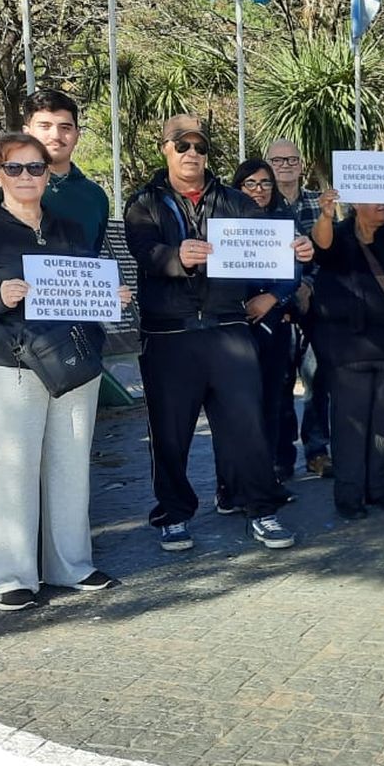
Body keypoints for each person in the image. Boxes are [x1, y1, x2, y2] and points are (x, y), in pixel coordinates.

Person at [0, 133, 132, 611]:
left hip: (71, 363)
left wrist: (110, 297)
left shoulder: (66, 228)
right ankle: (7, 574)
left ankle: (71, 564)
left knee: (69, 467)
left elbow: (84, 286)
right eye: (15, 168)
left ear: (49, 173)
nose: (26, 177)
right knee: (9, 472)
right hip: (6, 364)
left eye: (36, 168)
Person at [123, 114, 298, 552]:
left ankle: (263, 510)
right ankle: (173, 514)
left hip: (227, 329)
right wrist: (176, 257)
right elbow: (145, 253)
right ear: (165, 148)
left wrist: (296, 251)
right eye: (182, 146)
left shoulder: (234, 200)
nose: (192, 154)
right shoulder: (143, 202)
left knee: (248, 426)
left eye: (200, 147)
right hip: (168, 335)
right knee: (169, 431)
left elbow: (267, 246)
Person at [310, 189, 384, 519]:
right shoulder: (340, 233)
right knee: (350, 424)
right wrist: (326, 214)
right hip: (346, 348)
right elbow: (321, 247)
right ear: (356, 203)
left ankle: (379, 488)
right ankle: (349, 494)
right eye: (375, 198)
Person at [225, 159, 313, 498]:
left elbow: (294, 273)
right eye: (250, 183)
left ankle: (268, 478)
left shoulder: (283, 221)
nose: (258, 190)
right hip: (233, 323)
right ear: (238, 187)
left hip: (274, 320)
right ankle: (229, 486)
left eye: (265, 183)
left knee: (272, 402)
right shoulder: (223, 221)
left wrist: (273, 298)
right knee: (234, 406)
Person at [0, 89, 109, 254]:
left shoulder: (95, 197)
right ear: (27, 132)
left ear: (77, 135)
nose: (56, 135)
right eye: (45, 126)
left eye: (65, 128)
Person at [267, 138, 333, 479]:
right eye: (278, 161)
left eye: (292, 159)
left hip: (316, 304)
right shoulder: (259, 205)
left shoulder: (316, 203)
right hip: (277, 305)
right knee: (280, 381)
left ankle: (317, 449)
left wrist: (308, 285)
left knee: (317, 377)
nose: (285, 165)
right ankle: (282, 456)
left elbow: (328, 251)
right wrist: (290, 289)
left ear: (302, 164)